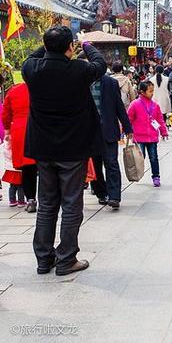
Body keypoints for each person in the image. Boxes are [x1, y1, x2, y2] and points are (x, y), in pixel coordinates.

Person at [22, 26, 107, 276]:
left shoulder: (32, 70)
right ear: (70, 47)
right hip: (73, 148)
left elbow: (34, 56)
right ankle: (66, 258)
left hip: (43, 149)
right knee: (71, 204)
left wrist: (50, 46)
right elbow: (100, 64)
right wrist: (86, 44)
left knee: (47, 204)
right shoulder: (78, 70)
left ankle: (43, 259)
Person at [87, 60, 133, 210]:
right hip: (91, 133)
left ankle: (114, 197)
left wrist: (128, 128)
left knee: (111, 164)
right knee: (95, 165)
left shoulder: (111, 83)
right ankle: (101, 193)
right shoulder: (83, 82)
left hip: (109, 130)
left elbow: (119, 106)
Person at [2, 82, 38, 213]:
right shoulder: (43, 86)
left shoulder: (14, 91)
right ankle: (49, 199)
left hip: (19, 130)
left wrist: (7, 131)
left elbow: (6, 114)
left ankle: (30, 199)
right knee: (46, 166)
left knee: (27, 168)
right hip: (40, 127)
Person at [127, 81, 169, 187]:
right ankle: (136, 173)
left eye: (152, 91)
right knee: (140, 157)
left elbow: (160, 120)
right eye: (150, 91)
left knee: (154, 157)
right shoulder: (135, 104)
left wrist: (164, 132)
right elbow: (129, 119)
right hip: (139, 137)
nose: (152, 93)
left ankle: (156, 176)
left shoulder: (155, 105)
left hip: (152, 137)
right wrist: (126, 130)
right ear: (142, 92)